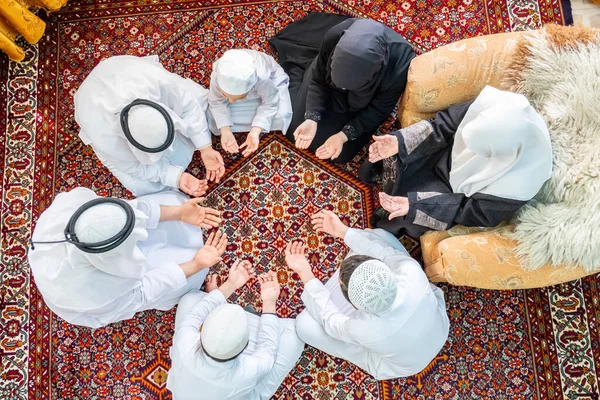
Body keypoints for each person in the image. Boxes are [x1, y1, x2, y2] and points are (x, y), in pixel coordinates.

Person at [360, 86, 553, 238]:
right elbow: (444, 125)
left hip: (455, 193)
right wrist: (398, 144)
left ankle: (387, 221)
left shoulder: (521, 182)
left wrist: (415, 206)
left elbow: (473, 212)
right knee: (395, 148)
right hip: (445, 149)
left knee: (412, 215)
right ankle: (377, 175)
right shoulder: (497, 105)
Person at [285, 209, 449, 380]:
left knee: (304, 325)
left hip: (406, 364)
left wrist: (306, 274)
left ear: (354, 306)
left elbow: (331, 320)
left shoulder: (363, 329)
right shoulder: (410, 271)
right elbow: (385, 252)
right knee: (381, 236)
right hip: (440, 329)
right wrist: (342, 231)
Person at [28, 187, 225, 328]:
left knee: (175, 203)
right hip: (96, 293)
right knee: (191, 278)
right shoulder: (95, 295)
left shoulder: (77, 207)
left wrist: (180, 213)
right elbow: (144, 292)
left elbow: (133, 211)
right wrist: (196, 263)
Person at [269, 13, 415, 163]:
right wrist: (312, 118)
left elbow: (378, 110)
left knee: (341, 154)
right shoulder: (335, 36)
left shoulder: (400, 65)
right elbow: (319, 80)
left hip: (364, 102)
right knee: (293, 126)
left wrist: (342, 136)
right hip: (327, 85)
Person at [74, 55, 225, 197]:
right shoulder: (106, 138)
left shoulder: (157, 82)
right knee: (145, 188)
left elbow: (189, 105)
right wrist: (177, 177)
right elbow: (135, 168)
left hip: (122, 69)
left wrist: (205, 148)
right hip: (92, 107)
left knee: (202, 102)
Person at [167, 264, 304, 400]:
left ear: (201, 331)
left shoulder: (185, 340)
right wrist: (269, 301)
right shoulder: (249, 371)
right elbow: (268, 347)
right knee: (294, 337)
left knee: (190, 300)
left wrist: (231, 284)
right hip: (241, 391)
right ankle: (225, 307)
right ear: (246, 347)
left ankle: (219, 304)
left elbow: (197, 314)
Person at [208, 49, 293, 157]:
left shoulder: (262, 77)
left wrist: (255, 131)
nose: (231, 102)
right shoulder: (218, 75)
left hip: (267, 90)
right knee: (212, 119)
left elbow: (270, 102)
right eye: (226, 95)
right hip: (249, 97)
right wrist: (225, 131)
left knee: (283, 115)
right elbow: (216, 101)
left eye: (240, 97)